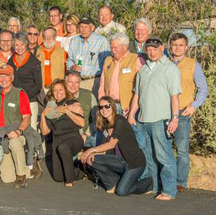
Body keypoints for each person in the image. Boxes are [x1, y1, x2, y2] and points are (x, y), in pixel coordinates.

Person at [127, 37, 180, 200]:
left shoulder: (170, 68)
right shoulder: (143, 70)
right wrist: (131, 115)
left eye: (155, 48)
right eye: (149, 49)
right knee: (149, 156)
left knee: (164, 156)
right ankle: (155, 187)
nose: (151, 51)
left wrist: (175, 118)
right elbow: (137, 94)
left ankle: (169, 191)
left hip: (160, 120)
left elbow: (174, 96)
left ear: (162, 48)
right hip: (143, 120)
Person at [81, 96, 153, 196]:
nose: (104, 110)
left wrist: (90, 151)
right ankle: (112, 184)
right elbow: (105, 147)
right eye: (101, 107)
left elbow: (111, 144)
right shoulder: (106, 123)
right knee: (92, 159)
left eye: (107, 106)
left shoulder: (120, 121)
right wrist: (93, 155)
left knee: (122, 191)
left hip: (133, 163)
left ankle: (147, 184)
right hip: (119, 161)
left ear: (113, 107)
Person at [168, 32, 209, 192]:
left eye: (180, 45)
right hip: (164, 111)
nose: (177, 48)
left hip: (183, 112)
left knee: (182, 150)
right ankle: (165, 178)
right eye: (174, 44)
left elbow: (203, 89)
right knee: (163, 148)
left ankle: (180, 182)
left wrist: (193, 106)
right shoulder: (164, 62)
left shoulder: (193, 64)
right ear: (170, 46)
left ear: (186, 47)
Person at [0, 65, 33, 188]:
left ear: (12, 77)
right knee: (7, 179)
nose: (3, 79)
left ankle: (21, 176)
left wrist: (18, 131)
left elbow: (27, 118)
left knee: (14, 142)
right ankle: (24, 166)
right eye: (1, 76)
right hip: (3, 137)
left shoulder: (19, 94)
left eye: (6, 76)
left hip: (18, 135)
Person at [40, 80, 85, 186]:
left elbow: (82, 123)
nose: (58, 92)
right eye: (55, 90)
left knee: (64, 147)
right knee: (58, 177)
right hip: (58, 140)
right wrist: (42, 116)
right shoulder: (51, 110)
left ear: (65, 90)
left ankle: (70, 181)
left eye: (60, 89)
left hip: (73, 138)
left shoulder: (72, 103)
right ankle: (81, 170)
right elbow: (45, 131)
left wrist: (67, 111)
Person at [98, 32, 142, 114]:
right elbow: (102, 83)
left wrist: (133, 106)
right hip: (109, 105)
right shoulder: (108, 60)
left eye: (115, 47)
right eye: (111, 47)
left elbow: (141, 86)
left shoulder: (136, 59)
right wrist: (102, 102)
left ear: (125, 47)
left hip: (127, 107)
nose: (112, 50)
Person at [66, 16, 110, 95]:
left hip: (93, 81)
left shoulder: (101, 41)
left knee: (93, 106)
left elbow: (106, 63)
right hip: (77, 82)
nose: (83, 29)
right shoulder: (74, 41)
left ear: (92, 28)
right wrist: (72, 67)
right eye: (81, 27)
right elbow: (69, 59)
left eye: (86, 27)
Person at [8, 32, 42, 129]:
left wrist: (25, 97)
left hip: (30, 101)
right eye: (16, 45)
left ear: (26, 44)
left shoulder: (34, 61)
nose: (19, 48)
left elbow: (38, 85)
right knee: (15, 128)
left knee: (31, 130)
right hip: (14, 100)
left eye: (22, 44)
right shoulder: (11, 60)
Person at [66, 72, 97, 145]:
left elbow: (97, 119)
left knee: (97, 139)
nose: (73, 85)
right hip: (68, 136)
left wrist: (86, 134)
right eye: (70, 82)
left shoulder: (89, 95)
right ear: (65, 83)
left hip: (86, 133)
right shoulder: (60, 95)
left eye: (76, 82)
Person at [36, 27, 67, 93]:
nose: (48, 39)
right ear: (43, 38)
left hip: (57, 91)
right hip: (41, 90)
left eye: (51, 36)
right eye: (45, 36)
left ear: (55, 37)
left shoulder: (63, 52)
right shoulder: (36, 52)